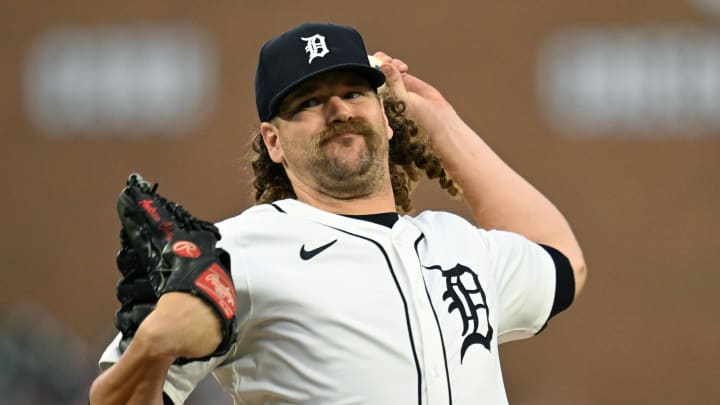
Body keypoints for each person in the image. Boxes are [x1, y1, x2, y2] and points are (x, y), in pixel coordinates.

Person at [89, 22, 587, 405]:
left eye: (353, 92)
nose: (339, 110)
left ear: (387, 118)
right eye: (309, 101)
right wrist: (151, 348)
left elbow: (562, 261)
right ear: (274, 141)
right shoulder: (233, 252)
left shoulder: (457, 243)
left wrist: (439, 121)